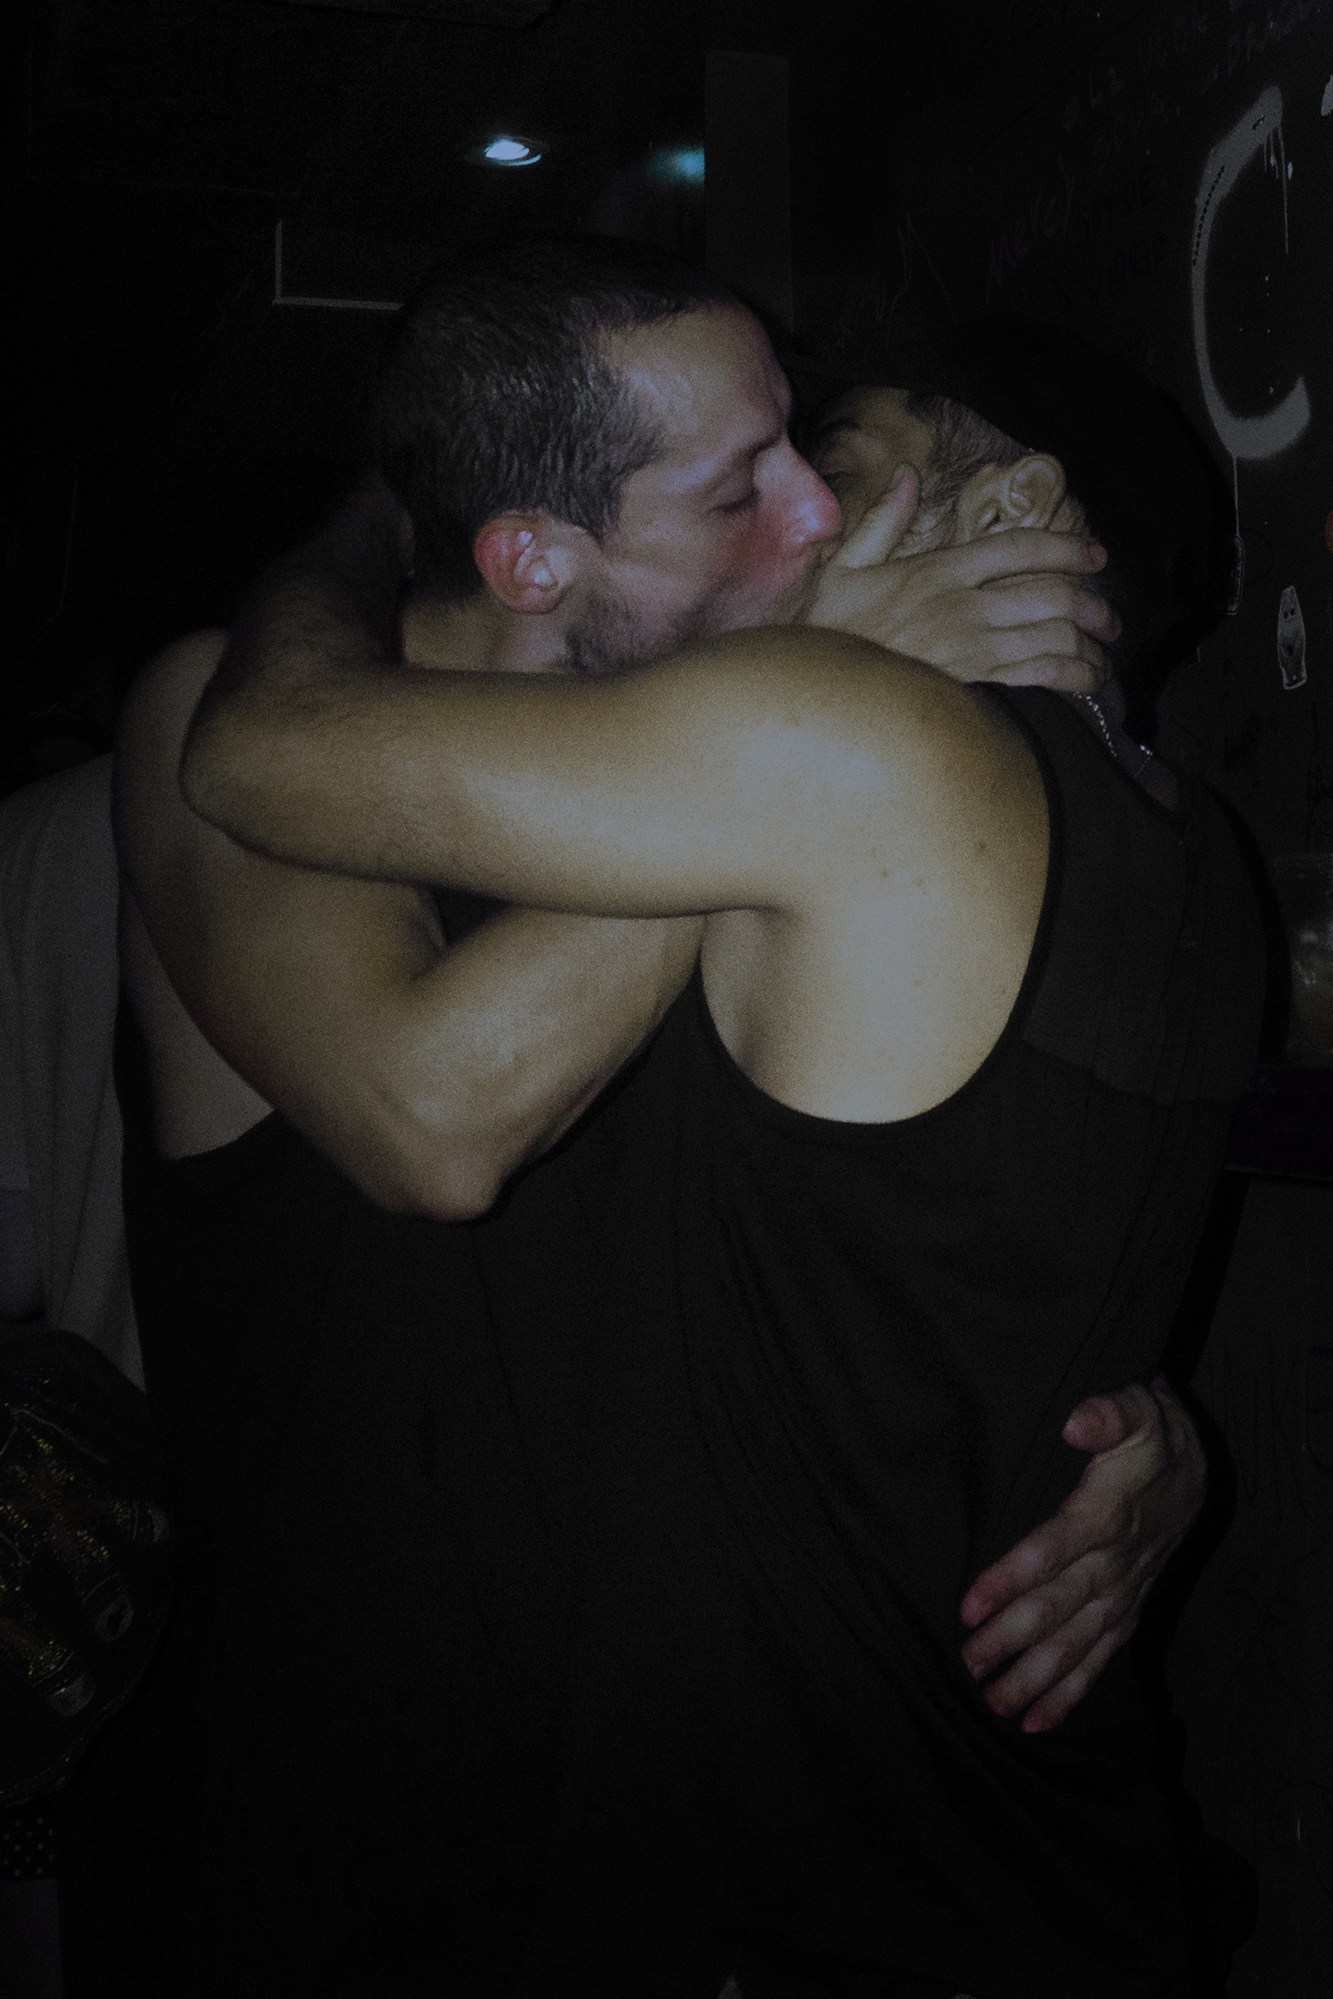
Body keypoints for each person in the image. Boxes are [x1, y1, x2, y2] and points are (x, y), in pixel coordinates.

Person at [84, 239, 1220, 1995]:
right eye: (745, 487)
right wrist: (820, 687)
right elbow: (427, 1119)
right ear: (538, 552)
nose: (813, 530)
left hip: (686, 1867)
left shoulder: (780, 803)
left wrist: (1123, 1421)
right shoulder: (212, 730)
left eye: (811, 455)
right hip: (343, 1846)